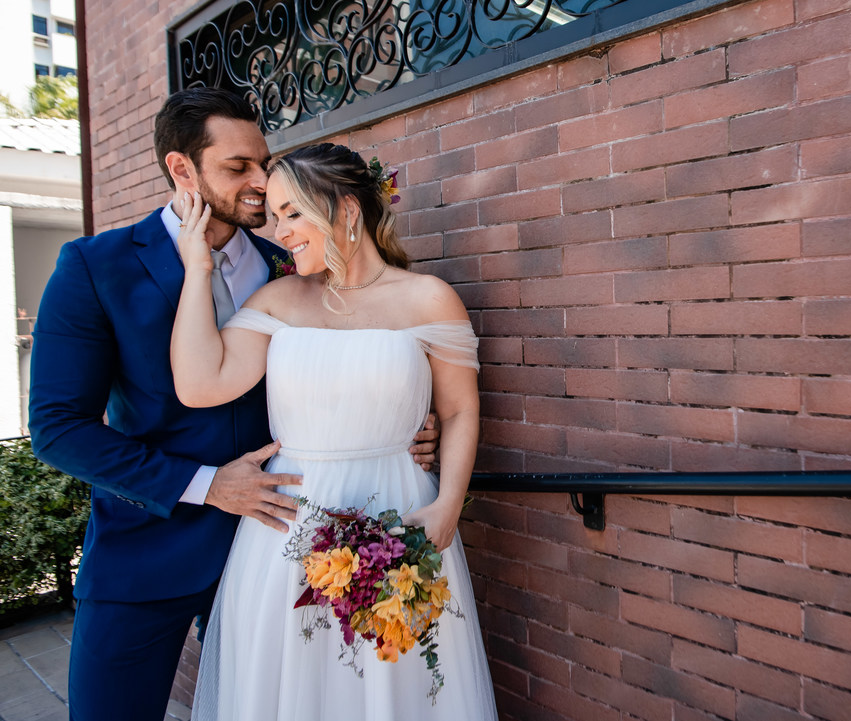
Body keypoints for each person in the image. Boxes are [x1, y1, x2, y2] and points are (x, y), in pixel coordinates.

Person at [27, 88, 440, 721]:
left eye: (263, 163)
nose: (260, 182)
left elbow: (357, 361)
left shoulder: (294, 264)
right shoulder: (93, 266)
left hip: (283, 548)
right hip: (146, 553)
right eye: (237, 167)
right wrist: (205, 485)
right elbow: (58, 429)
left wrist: (410, 422)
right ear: (181, 169)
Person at [170, 143, 498, 720]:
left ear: (347, 210)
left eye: (293, 213)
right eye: (274, 215)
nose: (280, 230)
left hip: (402, 518)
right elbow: (200, 385)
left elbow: (459, 411)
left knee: (396, 690)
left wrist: (449, 504)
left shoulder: (428, 298)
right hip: (288, 531)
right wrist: (197, 267)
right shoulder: (278, 299)